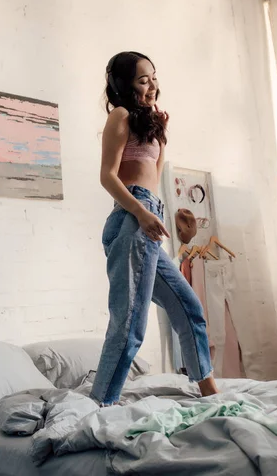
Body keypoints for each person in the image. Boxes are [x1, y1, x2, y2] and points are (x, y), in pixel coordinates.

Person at [90, 51, 219, 406]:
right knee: (130, 323)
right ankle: (100, 406)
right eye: (142, 80)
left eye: (154, 77)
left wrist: (159, 215)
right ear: (124, 85)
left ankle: (209, 391)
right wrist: (141, 213)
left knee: (188, 306)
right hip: (132, 217)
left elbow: (155, 177)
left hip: (148, 215)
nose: (152, 85)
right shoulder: (120, 116)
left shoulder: (154, 123)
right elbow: (107, 176)